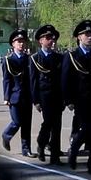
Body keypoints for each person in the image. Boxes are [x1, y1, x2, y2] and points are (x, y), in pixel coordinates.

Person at [62, 20, 91, 176]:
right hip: (80, 101)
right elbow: (66, 79)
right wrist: (68, 100)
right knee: (85, 129)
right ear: (79, 37)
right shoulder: (72, 56)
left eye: (90, 34)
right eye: (86, 34)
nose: (90, 37)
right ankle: (74, 150)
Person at [30, 25, 64, 165]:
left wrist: (65, 98)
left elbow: (62, 78)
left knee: (57, 125)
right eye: (48, 38)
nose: (51, 41)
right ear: (41, 41)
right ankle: (41, 144)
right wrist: (36, 100)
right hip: (44, 96)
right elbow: (33, 81)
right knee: (48, 123)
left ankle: (55, 156)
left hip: (57, 96)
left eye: (53, 38)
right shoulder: (35, 58)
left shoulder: (59, 58)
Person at [1, 29, 34, 157]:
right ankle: (6, 135)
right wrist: (6, 96)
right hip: (15, 96)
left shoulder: (29, 59)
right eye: (18, 42)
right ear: (13, 44)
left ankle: (26, 149)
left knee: (27, 124)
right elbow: (6, 80)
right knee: (17, 122)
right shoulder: (9, 60)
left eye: (23, 41)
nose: (21, 44)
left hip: (27, 96)